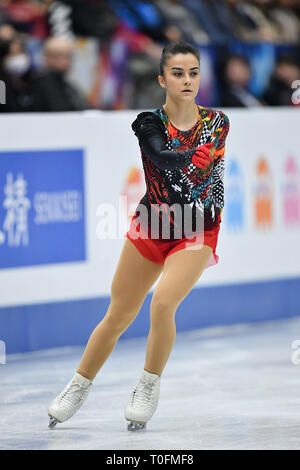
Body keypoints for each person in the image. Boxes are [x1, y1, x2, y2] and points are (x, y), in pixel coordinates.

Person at [47, 40, 230, 431]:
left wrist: (199, 176)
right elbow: (163, 157)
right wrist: (190, 158)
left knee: (163, 303)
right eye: (178, 73)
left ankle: (147, 385)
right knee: (118, 314)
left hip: (196, 229)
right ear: (162, 78)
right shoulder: (148, 122)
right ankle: (79, 385)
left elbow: (207, 174)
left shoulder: (218, 122)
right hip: (153, 225)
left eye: (194, 72)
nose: (187, 80)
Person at [32, 36, 91, 111]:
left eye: (69, 56)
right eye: (60, 56)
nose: (66, 61)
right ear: (47, 57)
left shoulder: (67, 85)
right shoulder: (41, 84)